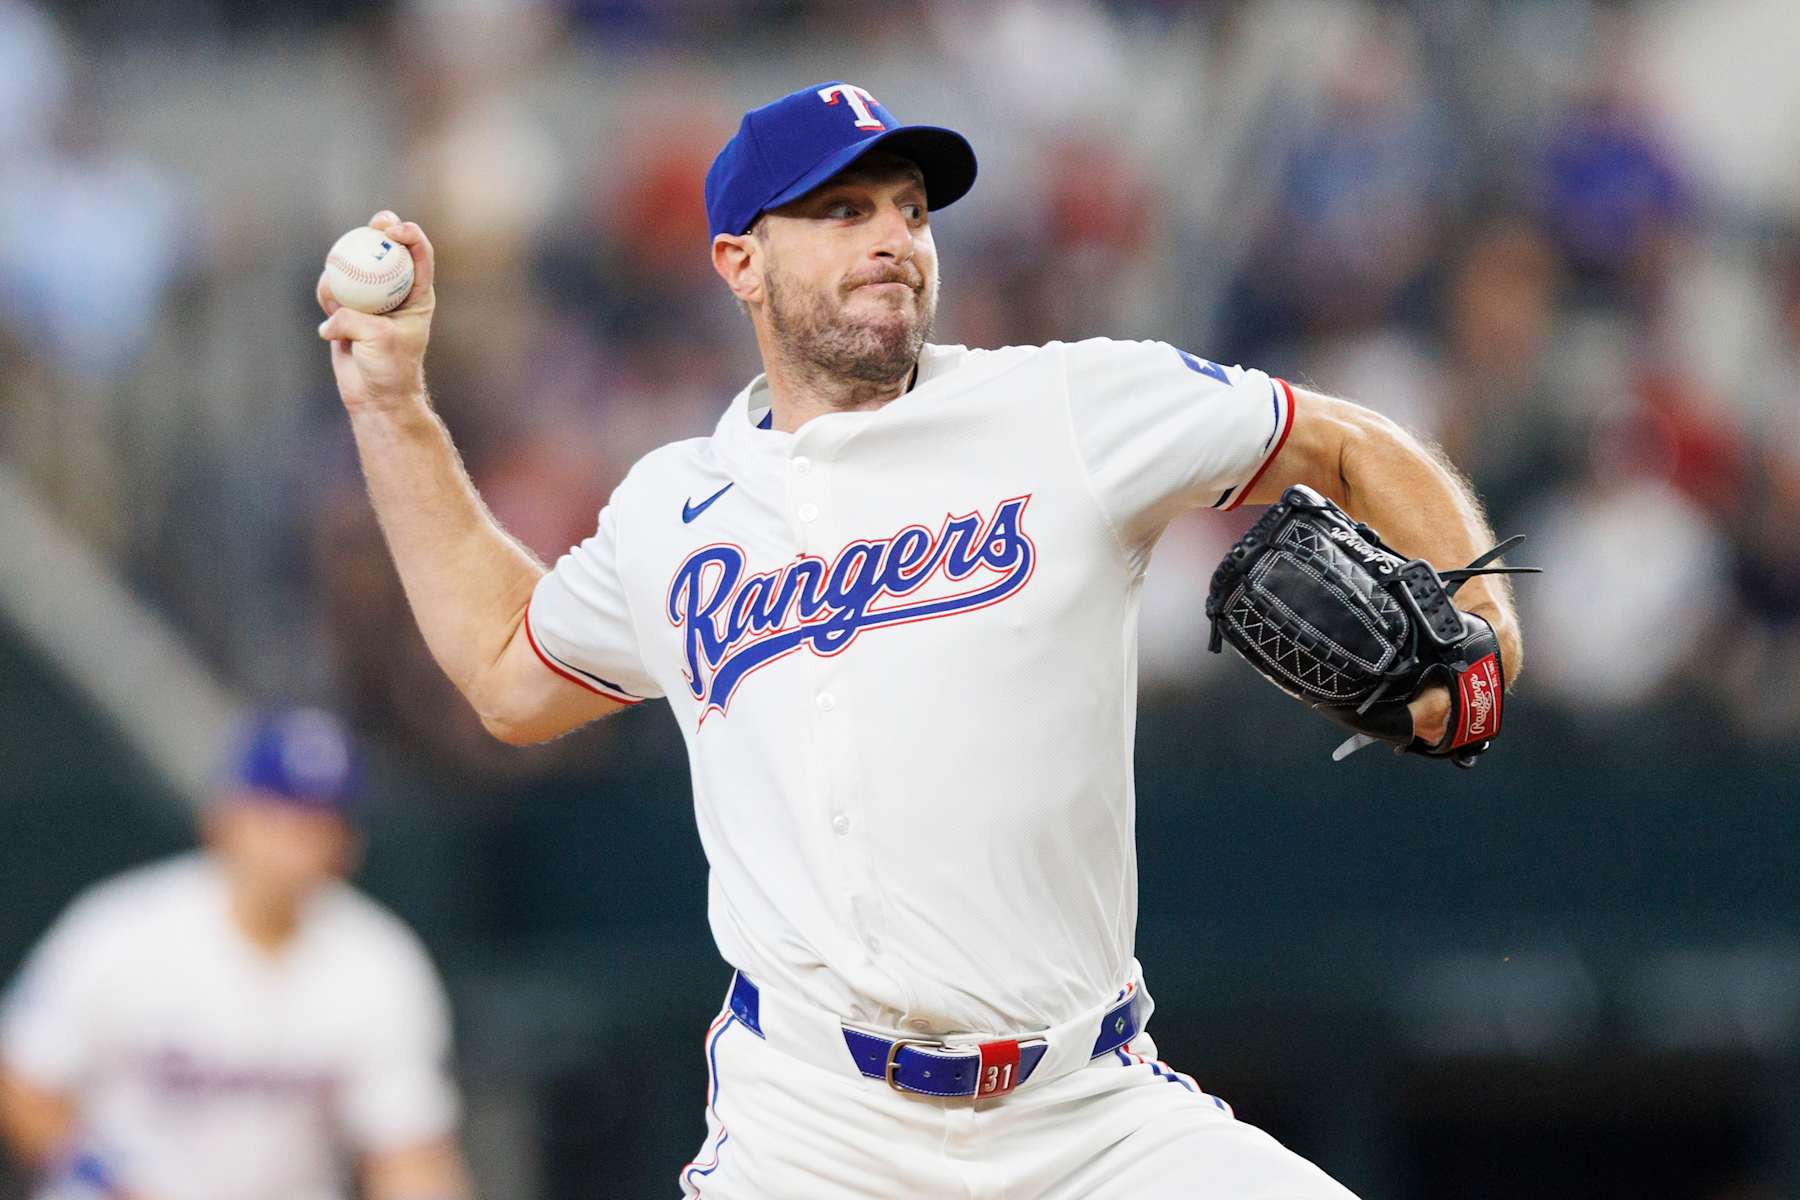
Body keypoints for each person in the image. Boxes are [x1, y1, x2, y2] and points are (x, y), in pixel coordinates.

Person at [315, 81, 1524, 1198]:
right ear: (739, 260)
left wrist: (1484, 624)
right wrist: (391, 405)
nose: (891, 235)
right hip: (813, 1129)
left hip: (1088, 1116)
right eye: (841, 211)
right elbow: (506, 675)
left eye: (907, 208)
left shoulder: (1062, 408)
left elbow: (1345, 440)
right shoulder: (669, 513)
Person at [0, 708, 472, 1200]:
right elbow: (22, 1077)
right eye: (278, 816)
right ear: (223, 817)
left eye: (320, 823)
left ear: (348, 844)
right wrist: (105, 1181)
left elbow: (409, 1151)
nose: (298, 845)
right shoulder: (125, 926)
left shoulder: (378, 960)